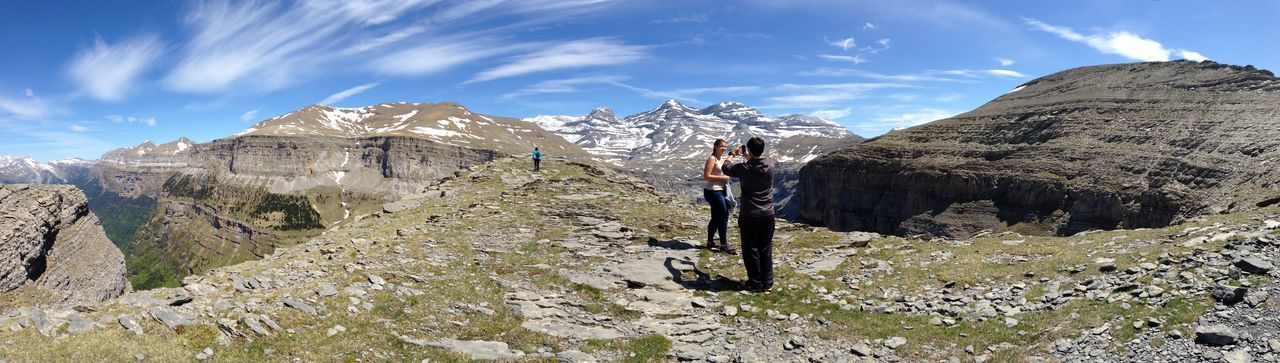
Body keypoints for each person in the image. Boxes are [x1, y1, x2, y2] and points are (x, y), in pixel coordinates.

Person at [722, 137, 774, 293]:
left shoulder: (744, 168)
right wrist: (749, 158)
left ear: (749, 150)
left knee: (751, 249)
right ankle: (768, 284)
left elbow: (726, 168)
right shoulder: (771, 166)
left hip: (750, 214)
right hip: (768, 213)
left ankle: (755, 284)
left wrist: (732, 154)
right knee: (765, 248)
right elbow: (756, 166)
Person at [702, 139, 735, 253]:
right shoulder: (712, 158)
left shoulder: (721, 159)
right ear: (715, 146)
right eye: (721, 146)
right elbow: (706, 176)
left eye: (725, 146)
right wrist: (723, 178)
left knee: (716, 217)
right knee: (724, 214)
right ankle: (724, 244)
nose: (724, 148)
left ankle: (710, 242)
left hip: (720, 190)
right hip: (713, 191)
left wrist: (733, 155)